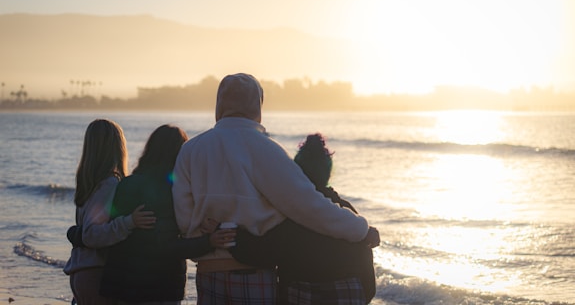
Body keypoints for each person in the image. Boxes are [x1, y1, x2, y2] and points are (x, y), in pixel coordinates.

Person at [172, 73, 380, 305]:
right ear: (258, 107)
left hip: (208, 274)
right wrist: (360, 229)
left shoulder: (191, 150)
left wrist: (209, 238)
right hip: (253, 273)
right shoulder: (265, 149)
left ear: (219, 105)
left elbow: (183, 218)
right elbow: (308, 206)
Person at [230, 133, 376, 304]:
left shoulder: (288, 211)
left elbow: (263, 253)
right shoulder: (346, 212)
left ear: (297, 171)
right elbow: (366, 265)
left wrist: (231, 233)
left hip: (298, 294)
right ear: (328, 171)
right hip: (347, 293)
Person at [98, 124, 235, 304]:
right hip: (161, 286)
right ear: (180, 154)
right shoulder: (174, 191)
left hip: (123, 286)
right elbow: (167, 246)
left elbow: (113, 233)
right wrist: (208, 241)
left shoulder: (127, 184)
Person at [63, 119, 156, 305]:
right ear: (118, 147)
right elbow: (91, 234)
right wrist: (130, 222)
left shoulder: (89, 185)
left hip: (81, 272)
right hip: (96, 275)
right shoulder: (108, 185)